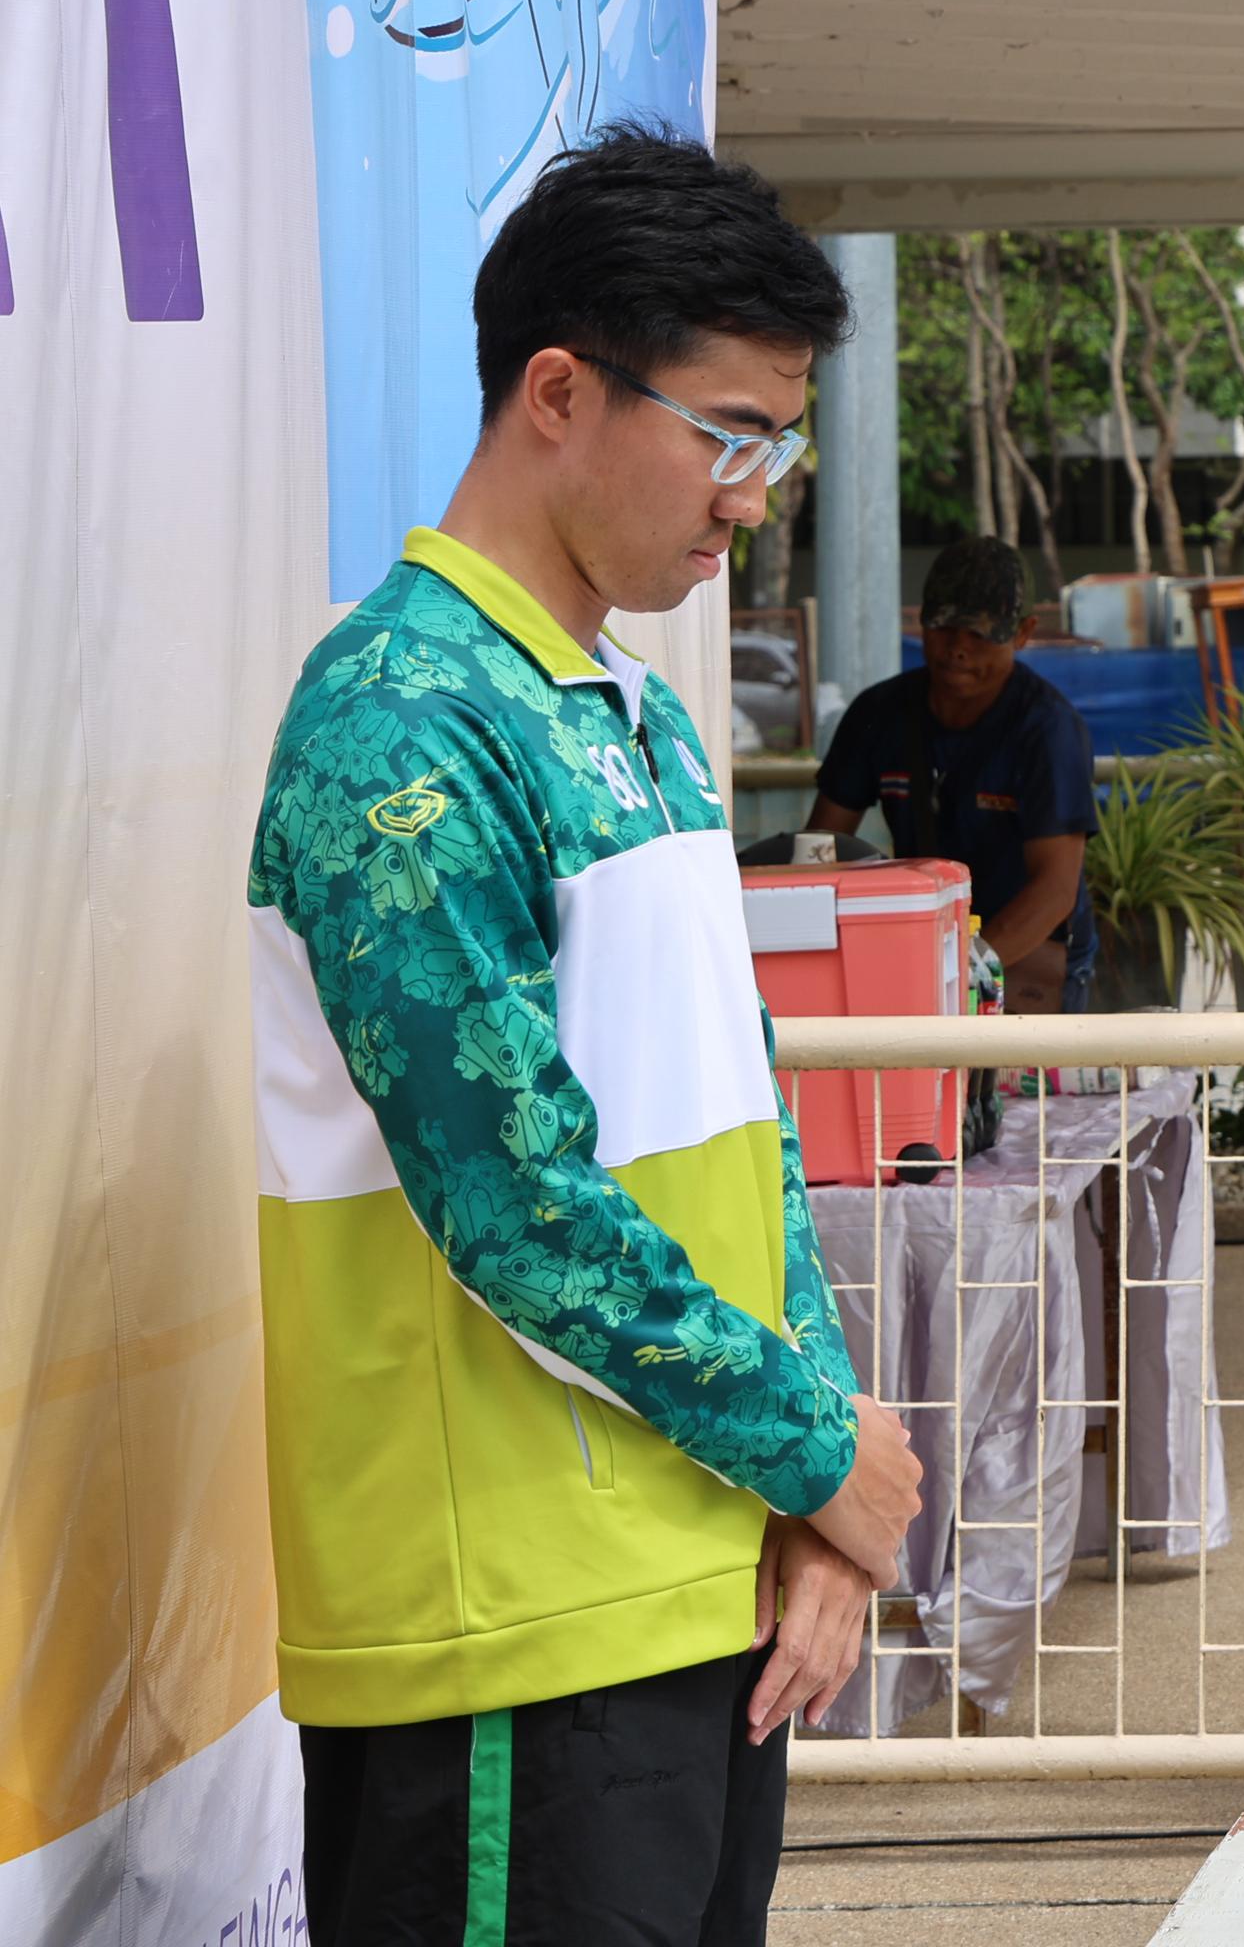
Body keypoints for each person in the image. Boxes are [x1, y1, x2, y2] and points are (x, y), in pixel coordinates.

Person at [248, 124, 927, 1946]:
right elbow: (517, 1202)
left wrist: (813, 1493)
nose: (752, 498)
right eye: (726, 436)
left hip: (701, 1584)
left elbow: (749, 1133)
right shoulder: (400, 722)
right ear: (559, 392)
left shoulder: (637, 715)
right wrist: (816, 1447)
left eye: (778, 448)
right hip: (508, 1625)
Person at [806, 534, 1101, 1014]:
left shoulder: (1048, 729)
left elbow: (1054, 890)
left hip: (1027, 950)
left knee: (1013, 1067)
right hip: (921, 945)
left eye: (982, 634)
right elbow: (818, 851)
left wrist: (961, 967)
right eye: (944, 627)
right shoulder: (878, 713)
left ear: (1023, 633)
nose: (959, 649)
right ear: (921, 621)